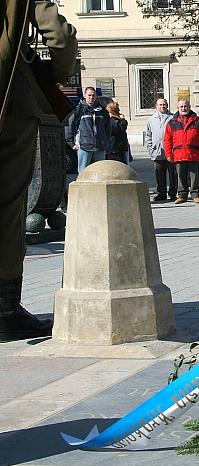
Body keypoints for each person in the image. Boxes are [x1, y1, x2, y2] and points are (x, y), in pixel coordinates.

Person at [0, 0, 77, 341]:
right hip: (8, 98)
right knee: (7, 206)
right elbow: (58, 37)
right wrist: (55, 76)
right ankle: (4, 311)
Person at [164, 99, 199, 204]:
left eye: (185, 106)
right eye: (181, 107)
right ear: (178, 108)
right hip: (178, 154)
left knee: (194, 176)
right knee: (180, 176)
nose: (183, 108)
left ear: (189, 107)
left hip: (193, 153)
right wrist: (168, 154)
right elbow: (167, 140)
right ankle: (182, 195)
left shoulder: (198, 121)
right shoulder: (172, 123)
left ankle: (195, 194)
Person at [66, 86, 110, 173]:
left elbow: (108, 127)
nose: (91, 97)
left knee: (100, 173)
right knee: (83, 173)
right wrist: (71, 144)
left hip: (100, 148)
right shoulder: (79, 110)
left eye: (93, 95)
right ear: (84, 95)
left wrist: (105, 141)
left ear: (96, 96)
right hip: (84, 147)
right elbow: (69, 126)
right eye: (89, 95)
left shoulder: (102, 111)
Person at [145, 97, 176, 202]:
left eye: (164, 104)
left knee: (173, 174)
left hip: (170, 152)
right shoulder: (151, 119)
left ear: (167, 105)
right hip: (157, 151)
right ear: (156, 106)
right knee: (159, 174)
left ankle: (173, 193)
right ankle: (161, 193)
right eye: (160, 105)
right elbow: (148, 135)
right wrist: (150, 148)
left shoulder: (173, 118)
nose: (163, 106)